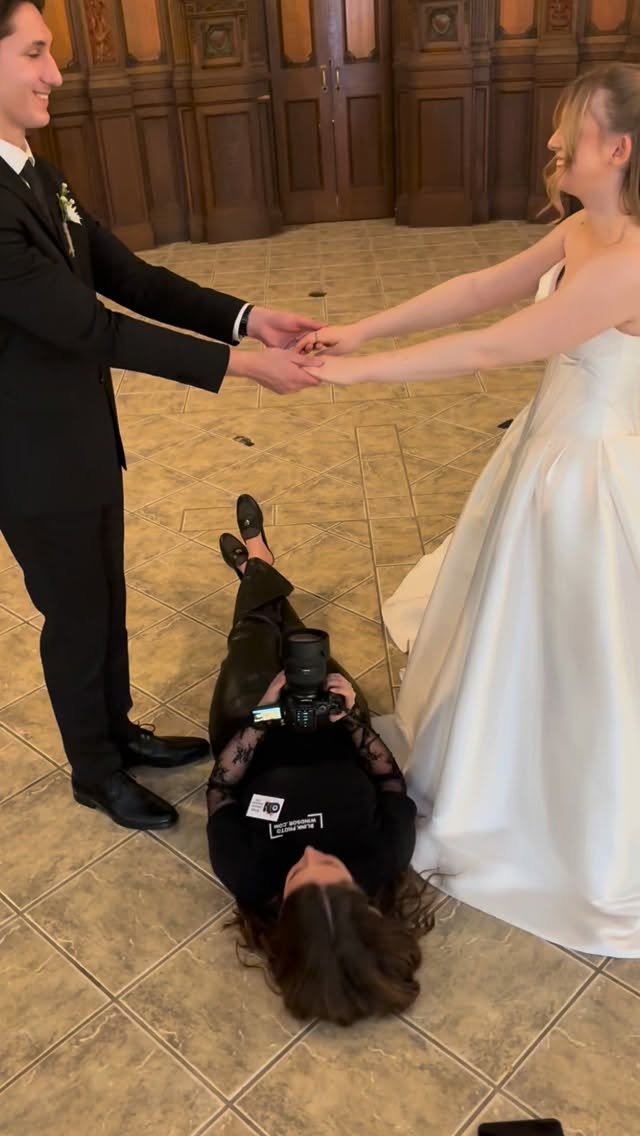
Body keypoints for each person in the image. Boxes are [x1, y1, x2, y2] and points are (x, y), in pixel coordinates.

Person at [300, 62, 640, 957]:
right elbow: (481, 289)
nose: (552, 140)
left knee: (580, 650)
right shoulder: (583, 230)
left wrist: (355, 376)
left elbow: (493, 347)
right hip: (544, 447)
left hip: (585, 475)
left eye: (571, 126)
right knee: (510, 623)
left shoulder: (631, 263)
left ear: (619, 149)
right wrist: (363, 328)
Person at [0, 0, 321, 831]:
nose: (55, 73)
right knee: (76, 617)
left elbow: (132, 279)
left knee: (104, 597)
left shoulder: (37, 173)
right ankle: (94, 770)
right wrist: (242, 368)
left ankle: (117, 733)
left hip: (80, 439)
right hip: (27, 455)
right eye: (35, 52)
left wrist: (247, 318)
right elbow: (92, 328)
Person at [206, 494, 435, 1025]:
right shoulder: (385, 856)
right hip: (332, 721)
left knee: (250, 641)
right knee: (302, 646)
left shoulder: (247, 873)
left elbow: (221, 789)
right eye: (330, 868)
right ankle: (257, 567)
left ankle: (256, 570)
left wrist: (265, 713)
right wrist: (350, 716)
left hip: (253, 730)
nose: (309, 854)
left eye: (297, 877)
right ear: (365, 902)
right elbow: (388, 781)